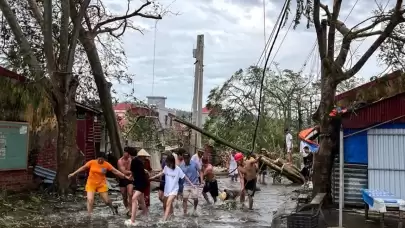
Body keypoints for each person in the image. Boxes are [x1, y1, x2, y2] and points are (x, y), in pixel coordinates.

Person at [149, 154, 196, 221]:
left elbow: (184, 176)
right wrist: (153, 177)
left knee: (168, 203)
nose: (166, 163)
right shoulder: (166, 167)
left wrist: (192, 184)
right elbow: (161, 173)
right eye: (166, 162)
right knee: (165, 205)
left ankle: (164, 220)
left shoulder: (178, 169)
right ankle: (170, 216)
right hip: (167, 190)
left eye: (167, 162)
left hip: (174, 190)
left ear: (171, 162)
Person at [125, 152, 149, 226]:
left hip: (141, 183)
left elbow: (133, 171)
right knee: (141, 199)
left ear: (129, 154)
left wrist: (130, 177)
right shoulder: (138, 161)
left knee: (134, 198)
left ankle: (133, 220)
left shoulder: (134, 161)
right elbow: (140, 171)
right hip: (140, 182)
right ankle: (146, 215)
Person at [117, 147, 133, 214]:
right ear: (124, 153)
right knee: (124, 195)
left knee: (130, 193)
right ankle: (127, 207)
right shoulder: (120, 161)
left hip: (130, 179)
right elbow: (123, 171)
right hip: (122, 179)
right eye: (126, 153)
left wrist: (131, 172)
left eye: (129, 154)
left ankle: (131, 209)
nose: (128, 155)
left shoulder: (131, 160)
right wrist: (131, 171)